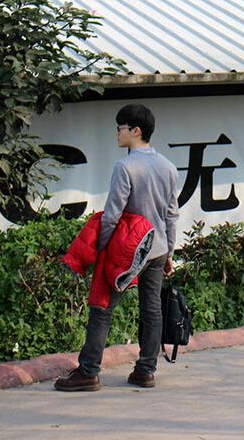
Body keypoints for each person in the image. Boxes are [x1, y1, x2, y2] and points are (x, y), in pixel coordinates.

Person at [56, 104, 179, 392]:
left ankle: (88, 371)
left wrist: (100, 250)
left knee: (102, 308)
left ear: (135, 131)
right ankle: (146, 371)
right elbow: (172, 214)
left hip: (128, 250)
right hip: (157, 248)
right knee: (152, 310)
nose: (117, 133)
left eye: (120, 128)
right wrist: (170, 253)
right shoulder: (168, 166)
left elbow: (112, 214)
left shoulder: (125, 167)